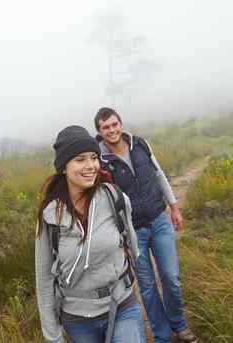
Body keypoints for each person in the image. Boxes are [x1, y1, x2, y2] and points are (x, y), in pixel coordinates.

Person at [94, 108, 197, 343]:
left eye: (114, 124)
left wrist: (175, 208)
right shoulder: (99, 161)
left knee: (171, 277)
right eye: (105, 127)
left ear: (120, 123)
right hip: (132, 232)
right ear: (99, 132)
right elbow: (104, 201)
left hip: (160, 220)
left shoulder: (140, 144)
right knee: (148, 287)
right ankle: (161, 336)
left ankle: (179, 325)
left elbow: (159, 175)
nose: (111, 130)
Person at [35, 125, 146, 343]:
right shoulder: (49, 215)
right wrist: (52, 336)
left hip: (121, 303)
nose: (90, 166)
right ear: (63, 167)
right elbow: (44, 279)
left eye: (94, 157)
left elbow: (133, 247)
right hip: (78, 319)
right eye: (80, 159)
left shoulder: (114, 197)